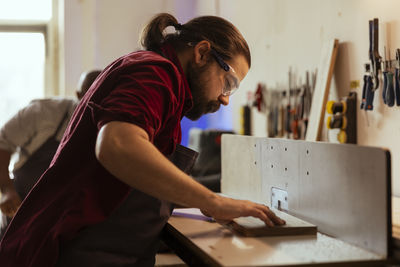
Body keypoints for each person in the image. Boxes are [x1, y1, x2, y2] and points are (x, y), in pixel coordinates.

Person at [0, 13, 285, 267]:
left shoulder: (166, 85)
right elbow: (117, 144)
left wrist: (207, 204)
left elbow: (141, 181)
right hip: (68, 249)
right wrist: (214, 201)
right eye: (229, 83)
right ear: (202, 53)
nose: (225, 99)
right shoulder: (155, 73)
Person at [0, 70, 101, 238]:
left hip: (64, 220)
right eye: (91, 98)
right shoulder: (43, 112)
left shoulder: (109, 128)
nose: (95, 108)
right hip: (21, 211)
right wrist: (6, 190)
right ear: (78, 94)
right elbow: (2, 144)